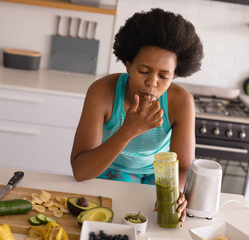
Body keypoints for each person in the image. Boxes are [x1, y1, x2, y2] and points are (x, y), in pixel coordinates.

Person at [70, 8, 204, 225]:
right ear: (128, 65)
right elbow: (81, 170)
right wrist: (128, 131)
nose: (152, 82)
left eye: (164, 76)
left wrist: (175, 193)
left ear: (174, 76)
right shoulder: (102, 92)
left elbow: (183, 167)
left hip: (159, 176)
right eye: (143, 71)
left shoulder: (181, 101)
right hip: (111, 169)